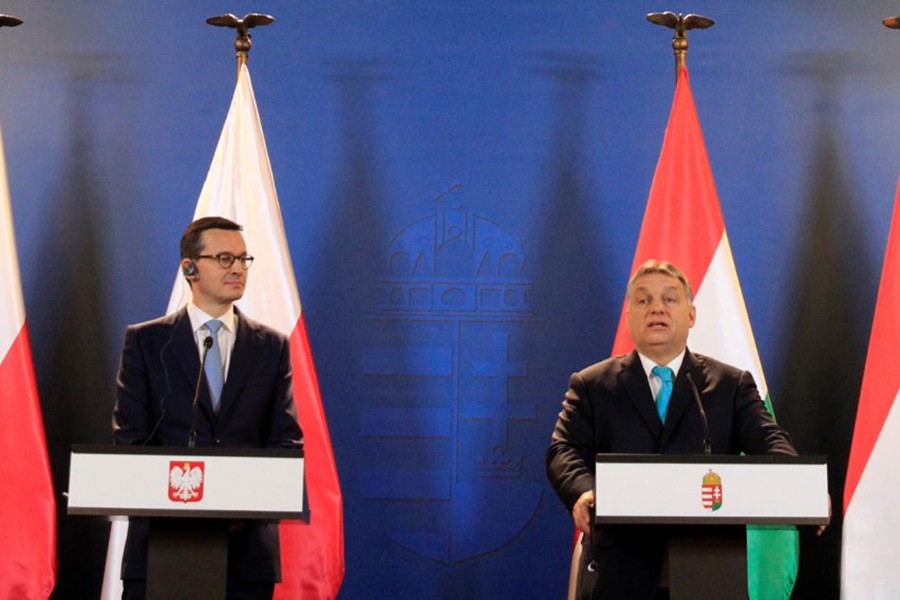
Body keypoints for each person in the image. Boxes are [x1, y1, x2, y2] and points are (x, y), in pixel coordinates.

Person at [545, 259, 797, 600]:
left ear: (691, 314)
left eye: (670, 299)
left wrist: (797, 485)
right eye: (644, 300)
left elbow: (770, 441)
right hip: (621, 567)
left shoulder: (730, 385)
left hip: (709, 565)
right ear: (629, 313)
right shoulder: (592, 385)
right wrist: (583, 492)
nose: (656, 309)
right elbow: (563, 450)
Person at [112, 216, 303, 600]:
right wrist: (182, 507)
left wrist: (238, 506)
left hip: (246, 553)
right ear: (189, 268)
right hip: (162, 550)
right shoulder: (147, 342)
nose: (237, 268)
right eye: (223, 258)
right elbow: (130, 441)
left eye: (243, 259)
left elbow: (285, 442)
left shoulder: (271, 347)